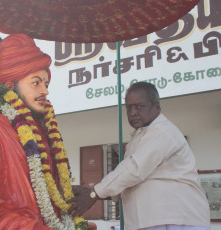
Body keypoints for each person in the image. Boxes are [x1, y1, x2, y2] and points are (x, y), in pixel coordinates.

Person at [0, 34, 94, 230]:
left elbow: (48, 203)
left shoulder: (42, 135)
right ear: (10, 86)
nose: (45, 91)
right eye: (36, 83)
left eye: (46, 84)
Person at [68, 82, 211, 230]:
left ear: (156, 107)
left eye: (139, 106)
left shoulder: (162, 132)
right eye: (129, 107)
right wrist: (91, 192)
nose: (133, 112)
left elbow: (133, 170)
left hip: (176, 219)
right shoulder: (141, 136)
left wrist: (93, 194)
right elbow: (128, 181)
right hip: (154, 220)